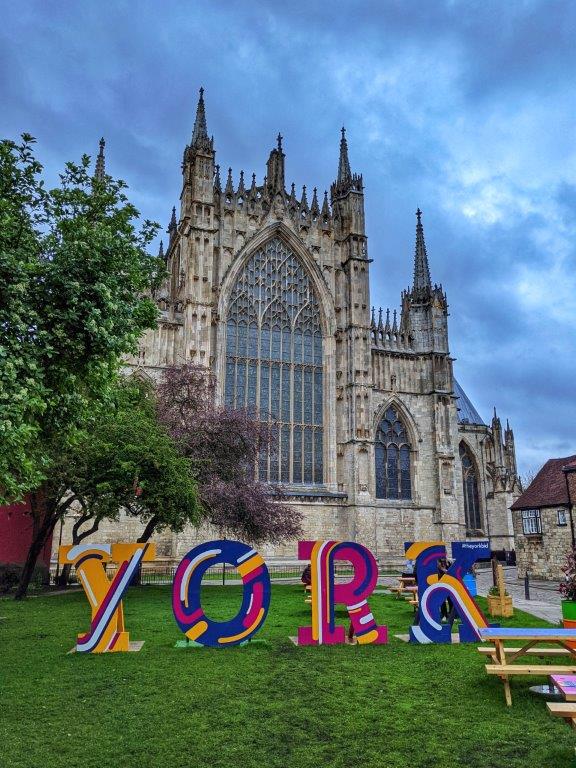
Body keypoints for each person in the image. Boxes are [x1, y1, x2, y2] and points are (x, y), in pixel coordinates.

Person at [437, 557, 455, 625]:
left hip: (448, 583)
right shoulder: (437, 563)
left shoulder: (449, 562)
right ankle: (444, 615)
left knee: (450, 599)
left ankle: (451, 615)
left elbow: (452, 570)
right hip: (440, 583)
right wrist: (447, 571)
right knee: (442, 601)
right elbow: (441, 570)